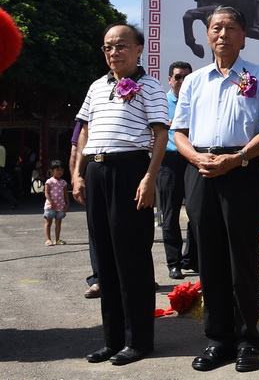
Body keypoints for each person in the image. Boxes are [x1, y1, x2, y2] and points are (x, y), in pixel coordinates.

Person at [172, 6, 259, 373]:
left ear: (243, 35)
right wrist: (196, 158)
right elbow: (178, 131)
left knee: (243, 258)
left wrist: (239, 157)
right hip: (200, 171)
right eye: (216, 28)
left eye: (231, 27)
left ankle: (249, 339)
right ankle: (217, 339)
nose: (223, 34)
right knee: (211, 259)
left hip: (242, 169)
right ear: (206, 35)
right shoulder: (194, 81)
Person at [72, 23, 169, 366]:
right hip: (97, 172)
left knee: (132, 258)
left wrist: (148, 178)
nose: (114, 52)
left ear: (139, 48)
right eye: (108, 47)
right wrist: (78, 173)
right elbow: (84, 131)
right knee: (106, 262)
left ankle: (139, 340)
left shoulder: (151, 87)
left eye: (122, 46)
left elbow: (159, 135)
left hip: (130, 170)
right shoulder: (97, 86)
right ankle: (111, 339)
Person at [157, 61, 199, 280]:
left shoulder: (197, 99)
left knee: (196, 211)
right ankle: (174, 263)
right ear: (169, 79)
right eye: (177, 77)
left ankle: (191, 258)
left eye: (185, 77)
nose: (181, 81)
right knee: (171, 214)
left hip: (193, 159)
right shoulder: (162, 102)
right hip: (170, 161)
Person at [71, 121, 100, 298]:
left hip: (132, 165)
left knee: (133, 226)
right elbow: (79, 142)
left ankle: (136, 275)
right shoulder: (93, 95)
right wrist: (77, 175)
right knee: (97, 229)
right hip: (95, 165)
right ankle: (99, 279)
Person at [43, 160, 70, 245]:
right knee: (48, 222)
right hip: (50, 206)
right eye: (57, 170)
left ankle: (57, 239)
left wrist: (67, 204)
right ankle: (48, 239)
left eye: (61, 170)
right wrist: (51, 202)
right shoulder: (49, 182)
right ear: (52, 171)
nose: (60, 172)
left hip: (60, 206)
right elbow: (46, 193)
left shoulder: (63, 183)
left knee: (58, 223)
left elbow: (65, 194)